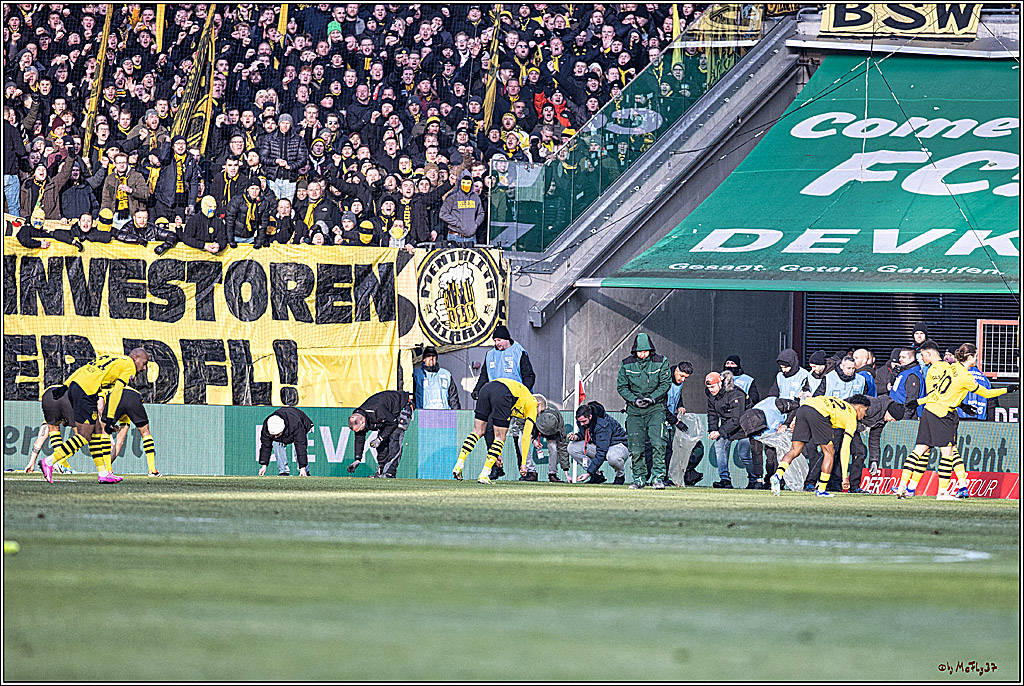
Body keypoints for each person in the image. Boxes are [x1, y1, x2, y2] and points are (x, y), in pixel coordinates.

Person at [895, 342, 1012, 500]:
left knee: (919, 450)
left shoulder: (952, 368)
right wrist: (1008, 389)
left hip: (929, 410)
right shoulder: (965, 376)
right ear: (969, 357)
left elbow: (939, 392)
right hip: (943, 414)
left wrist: (919, 402)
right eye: (975, 356)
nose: (976, 359)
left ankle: (903, 485)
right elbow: (986, 393)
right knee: (948, 453)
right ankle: (942, 492)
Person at [40, 349, 149, 484]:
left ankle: (103, 473)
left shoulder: (112, 358)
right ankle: (49, 461)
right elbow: (116, 392)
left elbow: (85, 368)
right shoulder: (130, 366)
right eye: (144, 363)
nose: (144, 368)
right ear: (136, 357)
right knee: (85, 436)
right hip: (86, 392)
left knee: (97, 432)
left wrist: (66, 385)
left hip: (77, 387)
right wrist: (109, 418)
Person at [769, 395, 873, 498]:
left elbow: (813, 403)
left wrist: (796, 419)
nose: (864, 415)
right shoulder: (851, 417)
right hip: (819, 413)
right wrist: (845, 476)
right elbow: (845, 449)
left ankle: (777, 475)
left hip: (804, 408)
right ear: (860, 408)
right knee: (829, 452)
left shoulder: (839, 402)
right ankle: (821, 490)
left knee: (795, 449)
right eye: (865, 411)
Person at [472, 325, 535, 479]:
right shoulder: (490, 355)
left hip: (516, 401)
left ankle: (526, 470)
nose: (497, 343)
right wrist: (478, 389)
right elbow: (484, 376)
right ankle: (495, 467)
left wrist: (524, 394)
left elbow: (529, 376)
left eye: (499, 340)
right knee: (489, 432)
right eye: (495, 340)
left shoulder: (519, 352)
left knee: (517, 436)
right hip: (498, 401)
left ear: (507, 339)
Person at [453, 378, 537, 484]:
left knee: (477, 431)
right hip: (504, 392)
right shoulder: (534, 404)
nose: (537, 416)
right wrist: (523, 464)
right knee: (500, 437)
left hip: (486, 388)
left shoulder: (521, 401)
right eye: (540, 412)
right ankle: (484, 473)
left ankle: (459, 464)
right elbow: (525, 436)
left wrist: (497, 454)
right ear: (539, 405)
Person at [617, 333, 672, 489]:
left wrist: (652, 398)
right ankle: (639, 479)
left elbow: (665, 383)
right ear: (635, 351)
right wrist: (634, 399)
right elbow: (621, 386)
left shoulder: (661, 362)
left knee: (658, 443)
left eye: (646, 351)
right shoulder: (626, 364)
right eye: (640, 352)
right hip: (634, 410)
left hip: (655, 408)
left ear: (651, 350)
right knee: (635, 446)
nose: (643, 354)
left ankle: (658, 478)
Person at [705, 371, 758, 489]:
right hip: (727, 425)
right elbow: (712, 414)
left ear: (720, 383)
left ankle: (754, 479)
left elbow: (737, 418)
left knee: (744, 454)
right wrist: (712, 430)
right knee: (719, 446)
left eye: (713, 387)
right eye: (709, 387)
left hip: (744, 426)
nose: (711, 390)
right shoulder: (711, 396)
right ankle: (725, 480)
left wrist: (720, 431)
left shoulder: (735, 393)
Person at [347, 391, 413, 478]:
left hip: (402, 406)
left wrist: (379, 439)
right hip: (389, 415)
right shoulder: (358, 417)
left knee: (395, 438)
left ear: (363, 422)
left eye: (360, 429)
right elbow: (359, 438)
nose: (359, 432)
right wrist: (357, 459)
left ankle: (389, 473)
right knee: (382, 445)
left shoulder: (377, 411)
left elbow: (393, 424)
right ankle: (381, 472)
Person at [102, 385, 162, 477]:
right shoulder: (125, 416)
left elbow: (100, 406)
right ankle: (152, 470)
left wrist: (108, 431)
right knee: (145, 433)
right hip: (133, 396)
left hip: (115, 396)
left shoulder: (105, 389)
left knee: (105, 433)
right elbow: (119, 442)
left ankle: (107, 471)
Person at [571, 401, 629, 485]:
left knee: (613, 457)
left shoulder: (602, 424)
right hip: (601, 445)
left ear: (590, 416)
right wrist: (577, 437)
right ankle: (596, 476)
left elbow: (601, 452)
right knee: (572, 447)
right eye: (579, 422)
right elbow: (587, 434)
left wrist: (588, 473)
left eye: (583, 421)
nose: (581, 424)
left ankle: (620, 475)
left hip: (617, 445)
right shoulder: (584, 420)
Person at [23, 384, 76, 474]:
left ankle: (63, 465)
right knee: (82, 436)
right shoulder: (70, 406)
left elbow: (40, 438)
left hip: (49, 395)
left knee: (54, 430)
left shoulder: (55, 411)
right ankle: (58, 462)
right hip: (68, 397)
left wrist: (31, 462)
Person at [258, 407, 314, 477]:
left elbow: (301, 446)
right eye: (273, 435)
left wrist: (303, 468)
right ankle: (283, 471)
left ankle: (304, 471)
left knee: (297, 449)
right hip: (288, 426)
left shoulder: (296, 424)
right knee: (276, 443)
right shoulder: (267, 426)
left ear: (282, 429)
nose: (275, 437)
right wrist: (264, 465)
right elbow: (265, 446)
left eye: (277, 434)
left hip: (302, 425)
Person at [438, 170, 484, 246]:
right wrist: (458, 223)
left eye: (468, 183)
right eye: (464, 182)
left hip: (471, 238)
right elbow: (443, 214)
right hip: (455, 236)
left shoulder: (476, 197)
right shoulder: (452, 197)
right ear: (460, 182)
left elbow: (481, 213)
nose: (466, 185)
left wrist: (475, 224)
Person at [533, 395, 572, 482]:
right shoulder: (531, 410)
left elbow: (563, 447)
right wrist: (533, 440)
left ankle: (552, 474)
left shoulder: (558, 424)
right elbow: (521, 427)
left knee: (553, 447)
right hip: (532, 426)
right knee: (521, 440)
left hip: (553, 429)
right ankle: (530, 472)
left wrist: (567, 474)